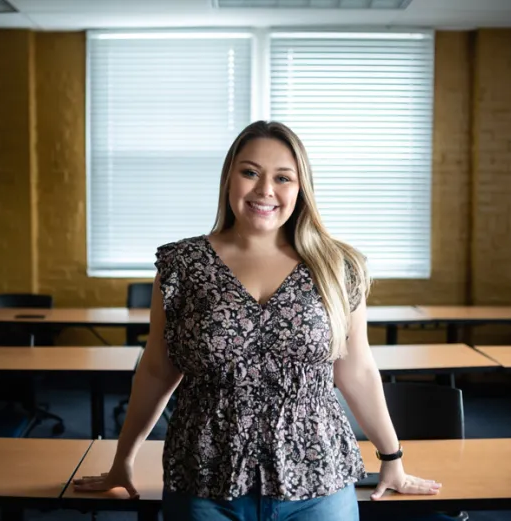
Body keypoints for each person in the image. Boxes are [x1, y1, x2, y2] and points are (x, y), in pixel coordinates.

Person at [73, 121, 441, 520]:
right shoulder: (182, 264)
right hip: (204, 480)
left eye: (283, 177)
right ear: (229, 177)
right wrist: (123, 458)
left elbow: (356, 370)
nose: (265, 190)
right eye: (250, 172)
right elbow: (157, 371)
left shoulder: (338, 266)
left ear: (301, 189)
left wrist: (392, 457)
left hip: (317, 481)